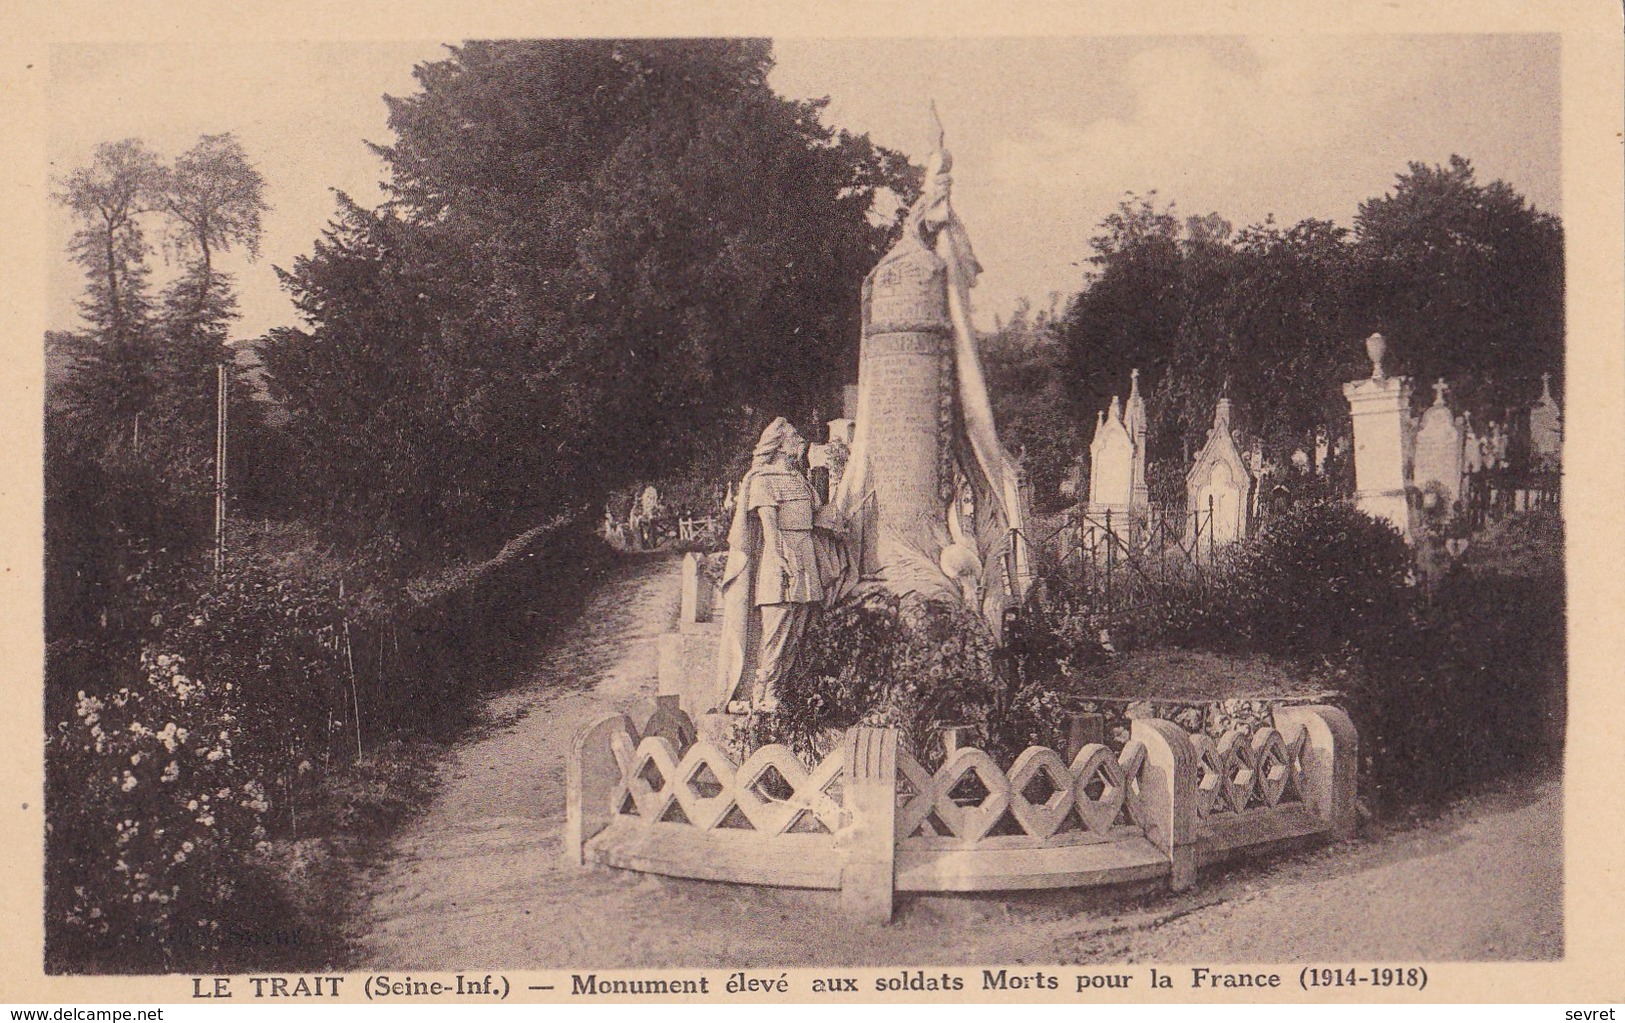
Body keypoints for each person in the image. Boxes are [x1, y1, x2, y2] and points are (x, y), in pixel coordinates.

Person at [716, 418, 850, 711]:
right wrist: (778, 560)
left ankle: (785, 689)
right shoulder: (763, 480)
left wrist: (834, 521)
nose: (800, 441)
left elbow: (813, 516)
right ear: (779, 444)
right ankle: (764, 693)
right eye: (794, 437)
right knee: (776, 632)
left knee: (800, 628)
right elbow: (770, 528)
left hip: (806, 557)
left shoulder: (799, 479)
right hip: (781, 558)